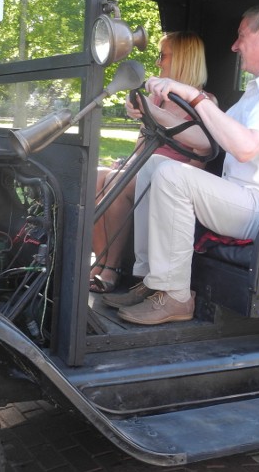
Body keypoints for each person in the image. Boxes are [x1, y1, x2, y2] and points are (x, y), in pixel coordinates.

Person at [105, 3, 259, 325]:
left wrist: (194, 98)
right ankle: (150, 280)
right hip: (246, 197)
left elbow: (246, 148)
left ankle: (176, 296)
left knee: (172, 175)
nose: (235, 46)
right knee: (153, 165)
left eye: (240, 36)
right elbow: (208, 139)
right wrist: (153, 112)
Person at [90, 31, 211, 293]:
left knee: (115, 182)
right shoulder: (157, 98)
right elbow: (142, 145)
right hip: (144, 168)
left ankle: (112, 268)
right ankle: (98, 262)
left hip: (172, 177)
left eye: (163, 56)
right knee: (96, 176)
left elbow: (199, 159)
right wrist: (127, 162)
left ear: (182, 59)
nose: (158, 63)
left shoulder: (205, 103)